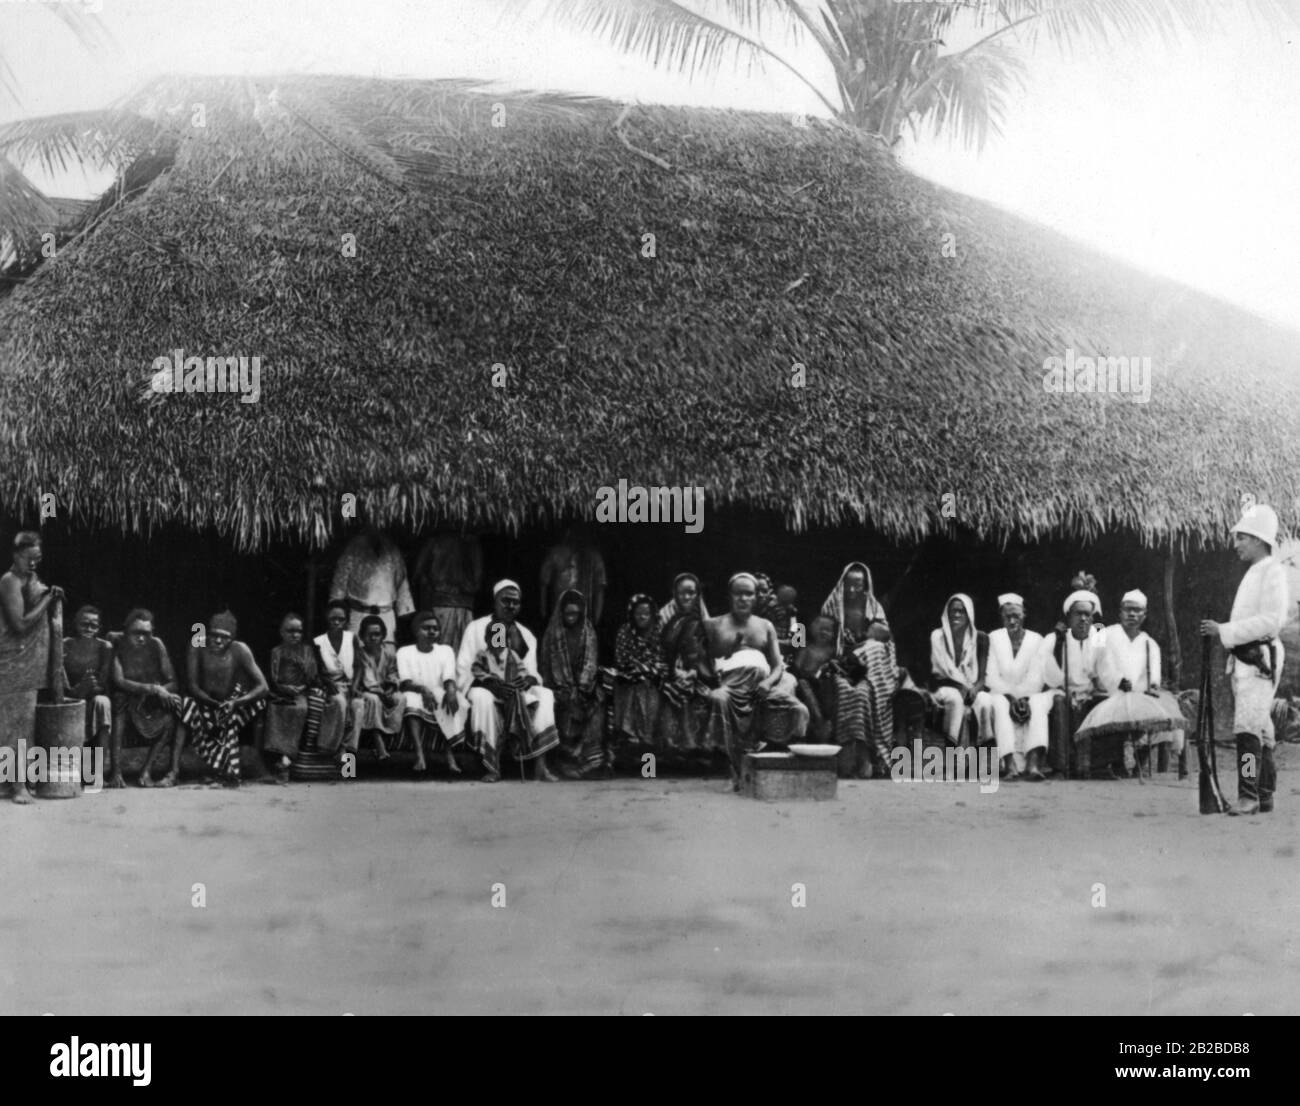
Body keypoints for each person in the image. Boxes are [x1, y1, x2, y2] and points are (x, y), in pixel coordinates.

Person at [1201, 503, 1290, 815]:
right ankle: (1264, 795)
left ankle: (1248, 795)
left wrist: (1224, 630)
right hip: (1246, 659)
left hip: (1259, 659)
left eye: (1241, 538)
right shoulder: (1256, 572)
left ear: (1257, 539)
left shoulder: (1273, 572)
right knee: (1261, 728)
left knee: (1246, 728)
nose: (1236, 544)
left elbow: (1271, 621)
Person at [702, 573, 809, 790]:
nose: (743, 599)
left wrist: (768, 683)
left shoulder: (768, 624)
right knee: (718, 699)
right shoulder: (715, 624)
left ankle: (783, 765)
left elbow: (782, 661)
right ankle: (732, 769)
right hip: (731, 686)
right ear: (730, 597)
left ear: (756, 598)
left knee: (800, 710)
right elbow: (702, 659)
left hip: (762, 685)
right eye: (738, 594)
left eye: (748, 594)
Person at [457, 580, 559, 781]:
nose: (511, 606)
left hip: (515, 689)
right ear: (495, 601)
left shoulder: (526, 634)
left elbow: (532, 672)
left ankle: (540, 763)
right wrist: (491, 684)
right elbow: (464, 668)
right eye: (506, 601)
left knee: (545, 694)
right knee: (481, 697)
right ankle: (492, 765)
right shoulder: (476, 628)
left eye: (515, 602)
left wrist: (527, 680)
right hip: (485, 687)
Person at [1086, 590, 1186, 777]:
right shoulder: (1104, 632)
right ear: (1120, 612)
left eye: (1137, 610)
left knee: (1162, 706)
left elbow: (1152, 679)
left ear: (1144, 615)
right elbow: (1092, 662)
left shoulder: (1150, 643)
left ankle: (1141, 759)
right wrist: (1115, 681)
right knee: (1115, 705)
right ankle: (1111, 764)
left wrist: (1151, 688)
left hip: (1138, 694)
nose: (1132, 614)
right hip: (1108, 691)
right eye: (1128, 609)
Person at [819, 562, 898, 779]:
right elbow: (817, 640)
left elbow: (887, 643)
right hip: (837, 666)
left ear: (865, 586)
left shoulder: (874, 608)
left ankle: (865, 758)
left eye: (858, 585)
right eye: (848, 584)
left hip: (866, 671)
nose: (852, 590)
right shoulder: (831, 607)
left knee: (863, 693)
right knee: (845, 693)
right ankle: (847, 759)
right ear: (842, 584)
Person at [173, 610, 268, 786]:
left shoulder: (240, 650)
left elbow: (263, 687)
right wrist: (214, 704)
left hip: (231, 705)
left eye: (224, 637)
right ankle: (173, 771)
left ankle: (255, 761)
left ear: (232, 638)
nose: (217, 640)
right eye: (214, 635)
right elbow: (192, 686)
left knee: (259, 702)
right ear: (207, 633)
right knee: (185, 705)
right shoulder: (197, 644)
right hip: (205, 703)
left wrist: (236, 702)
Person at [0, 531, 61, 804]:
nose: (34, 563)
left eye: (38, 558)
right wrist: (49, 600)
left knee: (24, 724)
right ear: (15, 555)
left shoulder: (30, 579)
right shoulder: (9, 581)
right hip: (14, 662)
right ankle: (17, 786)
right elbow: (20, 624)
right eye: (29, 558)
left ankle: (13, 782)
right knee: (15, 726)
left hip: (31, 663)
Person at [540, 589, 609, 779]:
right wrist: (561, 689)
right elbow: (545, 666)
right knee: (557, 707)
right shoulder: (551, 634)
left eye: (575, 614)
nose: (571, 618)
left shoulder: (588, 632)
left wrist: (582, 688)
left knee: (598, 704)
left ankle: (590, 762)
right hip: (558, 687)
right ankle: (566, 762)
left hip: (585, 689)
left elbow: (591, 663)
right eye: (568, 613)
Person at [985, 593, 1053, 781]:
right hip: (1002, 693)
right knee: (998, 704)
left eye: (1016, 615)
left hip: (1029, 694)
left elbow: (1037, 675)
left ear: (1024, 614)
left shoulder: (1036, 639)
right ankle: (1009, 764)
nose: (1012, 620)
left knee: (1038, 704)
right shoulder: (994, 638)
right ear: (1002, 617)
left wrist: (1023, 698)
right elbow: (990, 675)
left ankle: (1033, 763)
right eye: (1007, 616)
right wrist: (1011, 698)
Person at [261, 613, 335, 783]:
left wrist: (302, 687)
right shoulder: (276, 652)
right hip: (280, 693)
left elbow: (313, 677)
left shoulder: (307, 651)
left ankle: (288, 759)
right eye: (290, 631)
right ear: (282, 632)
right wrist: (282, 687)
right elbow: (271, 678)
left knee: (303, 708)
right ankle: (279, 759)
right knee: (279, 710)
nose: (295, 635)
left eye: (299, 631)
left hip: (302, 692)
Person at [1042, 586, 1106, 776]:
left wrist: (1093, 687)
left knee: (1103, 702)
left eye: (1088, 614)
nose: (1083, 619)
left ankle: (1094, 765)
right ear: (1069, 616)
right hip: (1062, 690)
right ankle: (1060, 766)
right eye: (1078, 614)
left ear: (1093, 618)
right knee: (1059, 702)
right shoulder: (1055, 638)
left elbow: (1102, 671)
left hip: (1089, 691)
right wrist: (1067, 689)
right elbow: (1049, 674)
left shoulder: (1099, 638)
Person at [113, 609, 182, 788]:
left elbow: (173, 682)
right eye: (136, 633)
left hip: (148, 705)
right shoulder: (115, 642)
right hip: (126, 702)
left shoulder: (156, 644)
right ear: (126, 631)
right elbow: (119, 681)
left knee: (173, 711)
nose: (142, 638)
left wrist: (161, 692)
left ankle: (146, 770)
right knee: (119, 701)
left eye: (146, 633)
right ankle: (116, 771)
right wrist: (153, 689)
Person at [396, 610, 467, 774]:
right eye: (426, 628)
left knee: (453, 701)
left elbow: (449, 678)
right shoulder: (404, 652)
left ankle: (449, 756)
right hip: (415, 691)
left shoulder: (446, 650)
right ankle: (419, 755)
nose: (431, 631)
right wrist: (423, 689)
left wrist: (450, 691)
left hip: (437, 691)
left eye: (435, 628)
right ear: (416, 631)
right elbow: (405, 682)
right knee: (410, 700)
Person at [655, 576, 711, 757]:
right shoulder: (664, 616)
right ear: (674, 594)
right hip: (669, 670)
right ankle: (681, 745)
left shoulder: (701, 617)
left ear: (697, 594)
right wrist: (676, 672)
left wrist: (694, 670)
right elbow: (659, 650)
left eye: (691, 593)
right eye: (682, 593)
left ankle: (701, 749)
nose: (687, 597)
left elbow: (707, 649)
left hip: (698, 671)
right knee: (676, 691)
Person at [929, 594, 993, 747]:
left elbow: (982, 677)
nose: (956, 615)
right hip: (944, 687)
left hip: (971, 687)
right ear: (947, 613)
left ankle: (983, 757)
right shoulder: (937, 636)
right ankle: (953, 757)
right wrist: (960, 687)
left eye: (961, 611)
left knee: (985, 701)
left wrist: (975, 689)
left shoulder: (981, 638)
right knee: (955, 700)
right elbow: (938, 675)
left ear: (969, 613)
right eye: (953, 611)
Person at [329, 526, 414, 639]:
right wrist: (335, 606)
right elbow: (340, 579)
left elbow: (401, 580)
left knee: (385, 650)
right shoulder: (353, 547)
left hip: (386, 613)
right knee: (356, 651)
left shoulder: (392, 549)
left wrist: (405, 608)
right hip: (358, 614)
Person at [412, 531, 483, 656]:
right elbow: (420, 577)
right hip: (442, 608)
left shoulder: (470, 544)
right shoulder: (435, 542)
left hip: (458, 608)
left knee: (462, 654)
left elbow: (477, 581)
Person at [63, 605, 113, 777]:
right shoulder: (65, 645)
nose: (89, 629)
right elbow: (59, 685)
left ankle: (97, 772)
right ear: (75, 624)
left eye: (94, 625)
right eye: (84, 624)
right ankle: (72, 770)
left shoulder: (105, 647)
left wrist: (89, 687)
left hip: (91, 698)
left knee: (103, 702)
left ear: (99, 628)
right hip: (68, 698)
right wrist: (78, 689)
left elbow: (102, 687)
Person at [610, 593, 665, 746]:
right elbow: (621, 659)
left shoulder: (658, 632)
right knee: (626, 685)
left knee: (646, 686)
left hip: (652, 678)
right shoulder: (625, 631)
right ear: (632, 614)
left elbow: (660, 660)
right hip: (629, 675)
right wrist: (639, 669)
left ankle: (646, 734)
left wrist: (644, 669)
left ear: (653, 614)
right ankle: (627, 733)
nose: (642, 617)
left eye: (646, 613)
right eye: (638, 613)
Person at [348, 614, 404, 759]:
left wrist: (391, 689)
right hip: (365, 691)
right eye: (369, 635)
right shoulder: (360, 654)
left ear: (384, 635)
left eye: (377, 634)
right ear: (361, 636)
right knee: (373, 699)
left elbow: (393, 674)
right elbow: (367, 680)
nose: (373, 638)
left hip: (384, 690)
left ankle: (389, 732)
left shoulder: (389, 654)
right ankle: (377, 738)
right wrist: (380, 693)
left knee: (400, 698)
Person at [312, 599, 356, 757]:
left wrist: (356, 686)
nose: (337, 622)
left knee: (358, 705)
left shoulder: (352, 638)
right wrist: (326, 681)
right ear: (327, 618)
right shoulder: (318, 642)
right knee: (340, 701)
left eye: (341, 619)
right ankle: (329, 748)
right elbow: (317, 671)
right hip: (330, 685)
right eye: (333, 619)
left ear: (346, 620)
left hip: (350, 684)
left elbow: (359, 665)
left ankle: (347, 755)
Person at [539, 528, 607, 626]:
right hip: (559, 611)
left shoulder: (594, 557)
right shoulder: (556, 553)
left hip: (585, 613)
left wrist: (596, 619)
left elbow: (600, 588)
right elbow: (544, 583)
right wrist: (544, 613)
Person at [790, 614, 838, 743]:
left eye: (827, 629)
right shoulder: (806, 649)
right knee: (803, 684)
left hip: (824, 685)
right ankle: (818, 720)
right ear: (811, 629)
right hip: (807, 683)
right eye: (820, 628)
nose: (823, 632)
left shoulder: (833, 651)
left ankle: (825, 723)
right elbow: (797, 668)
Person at [769, 585, 804, 664]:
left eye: (786, 603)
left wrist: (793, 617)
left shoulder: (792, 615)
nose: (780, 607)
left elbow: (797, 643)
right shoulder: (768, 611)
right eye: (780, 602)